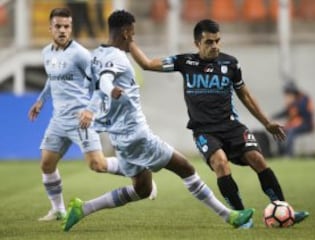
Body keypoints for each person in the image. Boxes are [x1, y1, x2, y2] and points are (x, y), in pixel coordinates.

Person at [61, 10, 254, 232]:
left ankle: (82, 209)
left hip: (119, 135)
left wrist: (93, 106)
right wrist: (109, 92)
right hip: (136, 134)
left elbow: (96, 84)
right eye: (132, 34)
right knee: (187, 169)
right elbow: (105, 81)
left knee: (142, 189)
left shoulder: (96, 54)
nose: (132, 39)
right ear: (125, 32)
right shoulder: (116, 56)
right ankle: (230, 216)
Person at [129, 19, 309, 225]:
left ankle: (284, 210)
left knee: (257, 159)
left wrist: (267, 122)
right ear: (197, 43)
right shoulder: (185, 62)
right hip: (205, 131)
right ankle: (241, 217)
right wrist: (130, 43)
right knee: (221, 163)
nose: (215, 46)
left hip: (231, 126)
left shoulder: (230, 63)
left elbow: (246, 95)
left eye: (217, 41)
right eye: (209, 42)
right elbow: (147, 64)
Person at [27, 8, 154, 222]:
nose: (62, 30)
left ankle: (140, 173)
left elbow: (99, 84)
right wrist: (41, 100)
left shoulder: (81, 54)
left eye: (66, 27)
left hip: (81, 118)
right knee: (46, 164)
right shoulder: (46, 53)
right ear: (50, 28)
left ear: (71, 28)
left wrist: (91, 110)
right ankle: (58, 210)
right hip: (58, 119)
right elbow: (52, 78)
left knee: (98, 165)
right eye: (58, 26)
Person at [272, 81, 314, 157]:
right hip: (293, 125)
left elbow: (304, 112)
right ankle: (281, 153)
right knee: (278, 130)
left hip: (306, 124)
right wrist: (274, 116)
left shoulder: (304, 98)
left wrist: (293, 103)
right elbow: (286, 112)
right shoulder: (293, 101)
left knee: (291, 131)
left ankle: (288, 154)